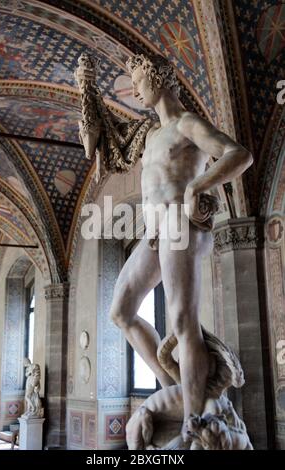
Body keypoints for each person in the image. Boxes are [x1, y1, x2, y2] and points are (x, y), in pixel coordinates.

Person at [108, 54, 253, 442]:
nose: (136, 90)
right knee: (121, 311)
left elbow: (240, 154)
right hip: (155, 231)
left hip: (182, 223)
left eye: (139, 80)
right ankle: (175, 383)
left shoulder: (186, 124)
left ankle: (193, 421)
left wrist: (197, 187)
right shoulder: (151, 136)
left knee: (182, 322)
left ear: (159, 79)